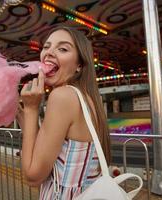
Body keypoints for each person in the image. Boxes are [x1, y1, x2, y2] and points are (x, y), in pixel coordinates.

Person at [18, 26, 111, 199]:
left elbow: (33, 176)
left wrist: (31, 110)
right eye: (46, 47)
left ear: (79, 65)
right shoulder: (84, 97)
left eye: (62, 49)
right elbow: (46, 157)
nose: (49, 53)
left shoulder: (62, 96)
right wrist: (22, 113)